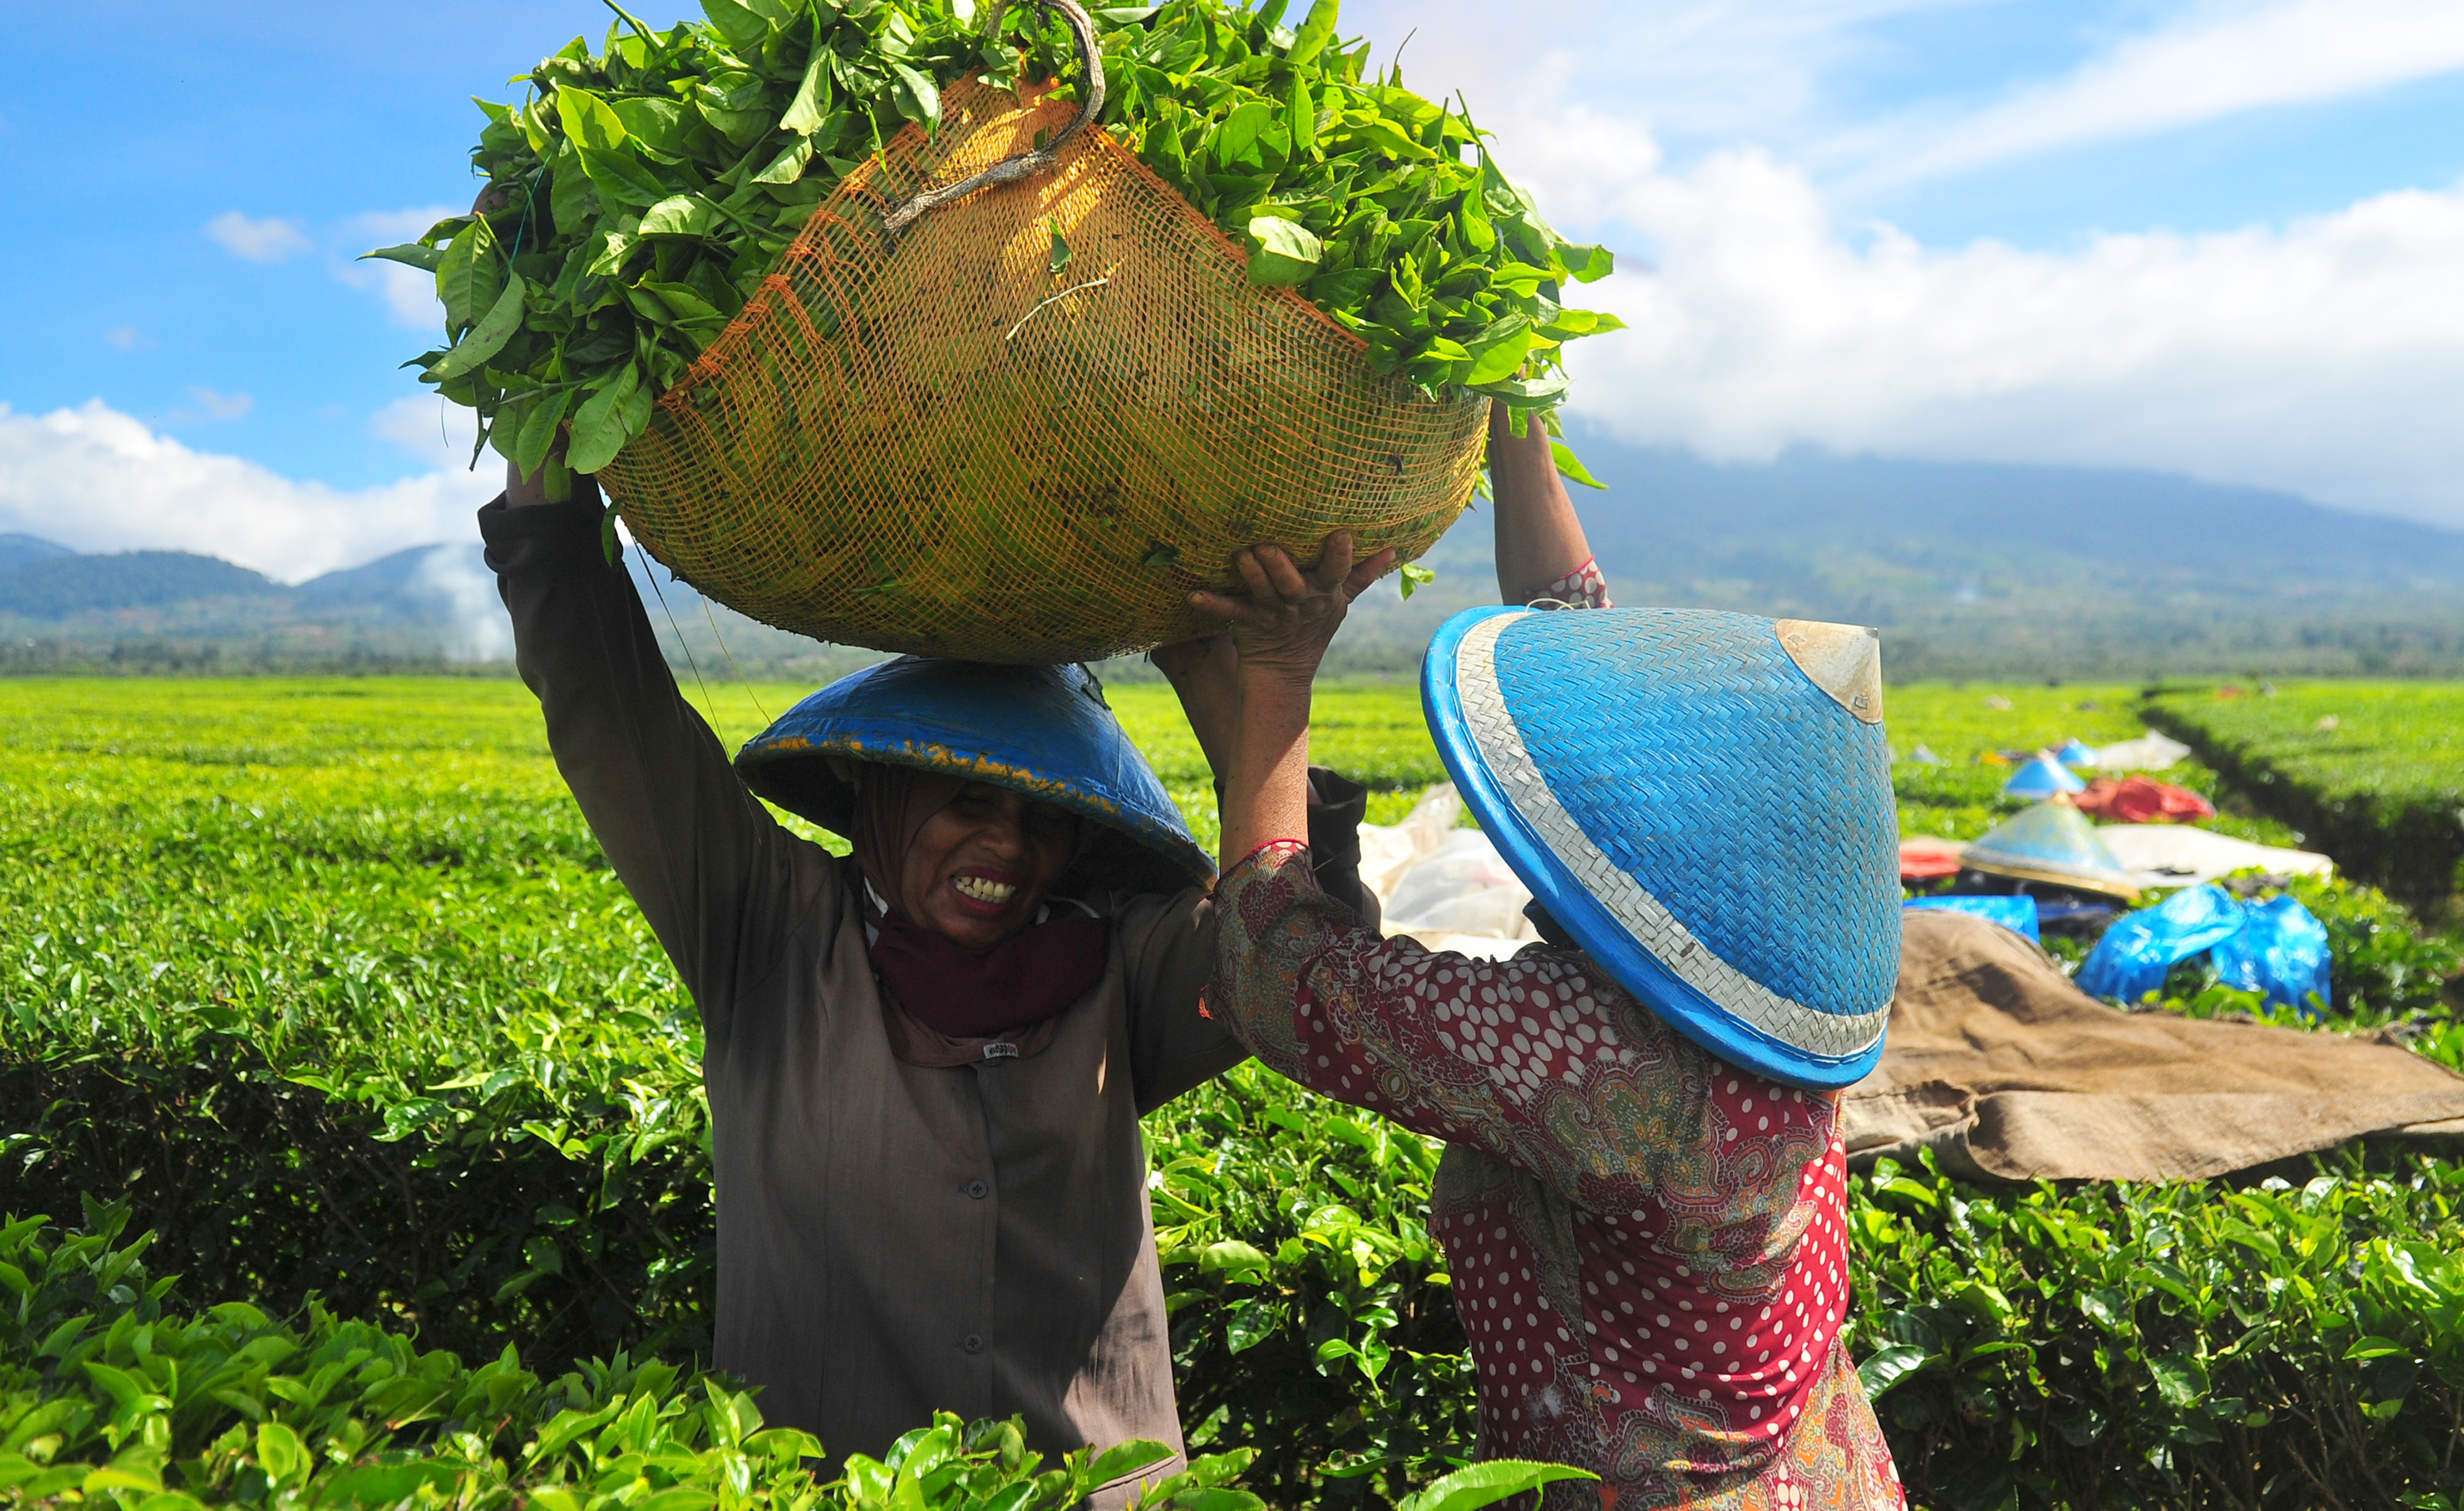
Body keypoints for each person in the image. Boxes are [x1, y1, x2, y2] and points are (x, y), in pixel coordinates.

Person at [479, 460, 1376, 1504]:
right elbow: (606, 705)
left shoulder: (1122, 967)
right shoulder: (768, 933)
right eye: (963, 801)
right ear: (885, 789)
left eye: (1048, 817)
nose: (1006, 844)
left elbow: (1313, 962)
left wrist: (1241, 672)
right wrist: (548, 489)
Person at [1189, 404, 1908, 1508]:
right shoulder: (1769, 1000)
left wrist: (1278, 672)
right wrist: (1514, 415)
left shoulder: (1602, 1049)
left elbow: (1280, 973)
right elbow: (1579, 644)